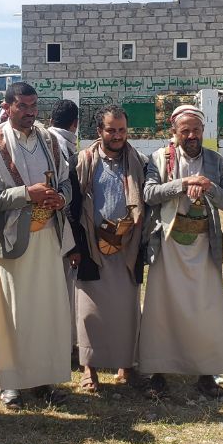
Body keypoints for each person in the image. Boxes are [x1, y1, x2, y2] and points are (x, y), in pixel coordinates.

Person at [0, 82, 75, 409]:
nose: (30, 112)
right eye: (23, 106)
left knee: (46, 310)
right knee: (13, 312)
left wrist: (61, 198)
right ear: (7, 107)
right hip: (12, 240)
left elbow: (65, 182)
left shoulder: (50, 140)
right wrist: (26, 194)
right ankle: (12, 384)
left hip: (48, 236)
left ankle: (45, 380)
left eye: (34, 106)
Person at [138, 104, 223, 399]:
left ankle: (206, 373)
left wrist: (208, 186)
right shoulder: (159, 158)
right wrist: (183, 183)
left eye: (196, 130)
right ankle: (158, 372)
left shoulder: (216, 161)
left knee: (206, 310)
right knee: (162, 309)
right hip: (168, 245)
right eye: (185, 131)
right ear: (174, 132)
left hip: (203, 245)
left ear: (203, 131)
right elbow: (149, 194)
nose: (191, 136)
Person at [72, 105, 147, 392]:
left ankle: (126, 365)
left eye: (122, 130)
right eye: (111, 130)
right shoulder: (83, 161)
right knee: (89, 312)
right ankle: (89, 369)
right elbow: (73, 206)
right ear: (99, 131)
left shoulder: (139, 162)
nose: (117, 136)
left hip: (127, 247)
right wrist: (76, 246)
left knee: (126, 310)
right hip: (92, 247)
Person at [48, 99, 86, 367]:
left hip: (46, 228)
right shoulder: (62, 148)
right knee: (65, 291)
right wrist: (74, 242)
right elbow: (69, 199)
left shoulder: (44, 141)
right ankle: (66, 346)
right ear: (75, 124)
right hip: (61, 230)